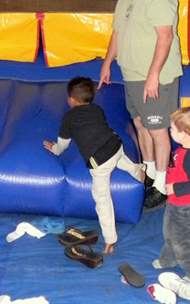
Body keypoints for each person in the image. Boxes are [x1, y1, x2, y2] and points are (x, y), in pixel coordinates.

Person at [98, 0, 183, 211]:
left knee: (158, 130)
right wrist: (107, 62)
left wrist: (154, 75)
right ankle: (148, 174)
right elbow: (117, 33)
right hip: (132, 76)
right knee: (141, 125)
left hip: (156, 78)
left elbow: (165, 37)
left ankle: (161, 185)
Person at [43, 76, 144, 255]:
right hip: (116, 145)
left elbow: (63, 144)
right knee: (120, 159)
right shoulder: (97, 109)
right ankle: (139, 171)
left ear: (71, 100)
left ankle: (110, 240)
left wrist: (55, 149)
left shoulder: (69, 117)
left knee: (102, 198)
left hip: (100, 160)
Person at [153, 107, 190, 292]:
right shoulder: (185, 146)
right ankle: (169, 258)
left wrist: (174, 188)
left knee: (186, 240)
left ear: (184, 134)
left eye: (173, 129)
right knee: (170, 233)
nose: (171, 131)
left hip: (186, 206)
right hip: (175, 202)